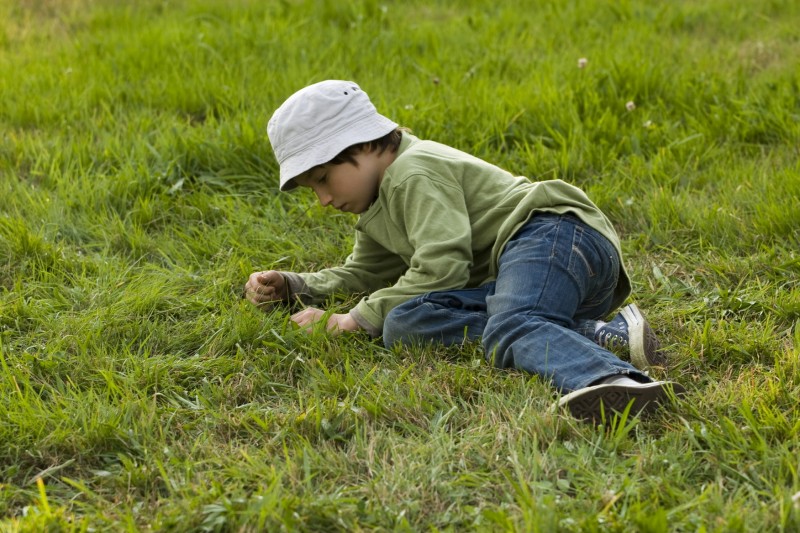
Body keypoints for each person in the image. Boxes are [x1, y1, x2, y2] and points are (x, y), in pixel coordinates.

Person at [244, 80, 685, 422]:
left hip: (553, 235)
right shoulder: (377, 202)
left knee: (513, 323)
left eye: (323, 179)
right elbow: (364, 273)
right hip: (536, 274)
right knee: (405, 322)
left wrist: (353, 319)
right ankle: (599, 333)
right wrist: (295, 285)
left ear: (360, 144)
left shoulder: (412, 174)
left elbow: (442, 270)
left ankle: (612, 379)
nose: (323, 199)